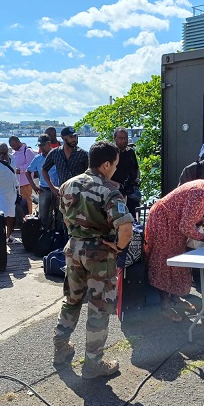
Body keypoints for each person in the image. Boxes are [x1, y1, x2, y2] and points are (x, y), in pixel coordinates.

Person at [53, 141, 134, 380]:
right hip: (99, 254)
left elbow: (66, 219)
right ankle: (93, 365)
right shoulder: (110, 190)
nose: (115, 170)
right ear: (106, 164)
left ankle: (60, 350)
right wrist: (118, 246)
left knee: (72, 300)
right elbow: (126, 229)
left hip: (74, 248)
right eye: (115, 165)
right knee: (99, 309)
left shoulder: (67, 185)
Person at [145, 171, 204, 322]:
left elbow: (196, 217)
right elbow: (186, 227)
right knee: (166, 261)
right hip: (164, 221)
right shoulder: (200, 193)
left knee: (179, 260)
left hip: (174, 223)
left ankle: (176, 298)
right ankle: (165, 306)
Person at [41, 126, 89, 230]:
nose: (74, 139)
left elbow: (90, 174)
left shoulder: (83, 154)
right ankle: (63, 244)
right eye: (71, 137)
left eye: (75, 136)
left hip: (80, 195)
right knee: (62, 222)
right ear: (63, 138)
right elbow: (44, 169)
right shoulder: (55, 153)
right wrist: (52, 187)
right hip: (62, 195)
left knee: (79, 223)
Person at [26, 134, 59, 229]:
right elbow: (28, 172)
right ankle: (45, 235)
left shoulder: (57, 155)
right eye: (39, 146)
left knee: (59, 215)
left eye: (42, 145)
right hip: (44, 189)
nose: (41, 148)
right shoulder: (37, 158)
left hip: (58, 189)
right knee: (44, 215)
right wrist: (33, 186)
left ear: (49, 144)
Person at [111, 127, 141, 216]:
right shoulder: (111, 153)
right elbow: (103, 176)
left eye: (125, 138)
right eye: (121, 138)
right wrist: (116, 185)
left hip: (132, 191)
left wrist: (138, 178)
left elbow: (137, 168)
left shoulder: (130, 152)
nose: (124, 141)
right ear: (115, 138)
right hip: (116, 191)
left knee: (134, 218)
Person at [9, 135, 36, 214]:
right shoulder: (14, 152)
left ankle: (29, 217)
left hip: (26, 181)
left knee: (27, 200)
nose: (13, 147)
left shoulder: (27, 151)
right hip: (17, 182)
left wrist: (19, 170)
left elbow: (30, 164)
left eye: (14, 145)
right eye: (11, 146)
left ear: (18, 141)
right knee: (19, 201)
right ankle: (21, 217)